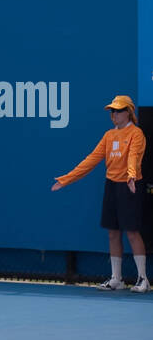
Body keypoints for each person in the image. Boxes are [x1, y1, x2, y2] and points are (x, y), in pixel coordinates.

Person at [52, 93, 148, 292]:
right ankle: (116, 279)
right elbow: (91, 160)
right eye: (112, 111)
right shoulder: (109, 135)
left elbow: (134, 157)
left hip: (130, 186)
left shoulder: (136, 134)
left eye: (118, 110)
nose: (113, 114)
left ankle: (143, 279)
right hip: (111, 185)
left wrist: (131, 175)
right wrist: (67, 179)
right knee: (113, 233)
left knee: (132, 232)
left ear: (128, 113)